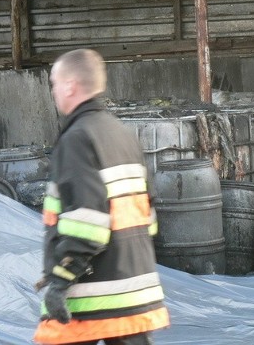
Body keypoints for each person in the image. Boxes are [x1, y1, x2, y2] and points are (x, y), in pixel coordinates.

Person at [33, 49, 170, 345]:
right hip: (132, 288)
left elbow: (88, 222)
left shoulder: (77, 139)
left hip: (91, 294)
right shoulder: (122, 134)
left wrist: (59, 281)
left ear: (70, 85)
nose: (54, 91)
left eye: (54, 83)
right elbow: (148, 218)